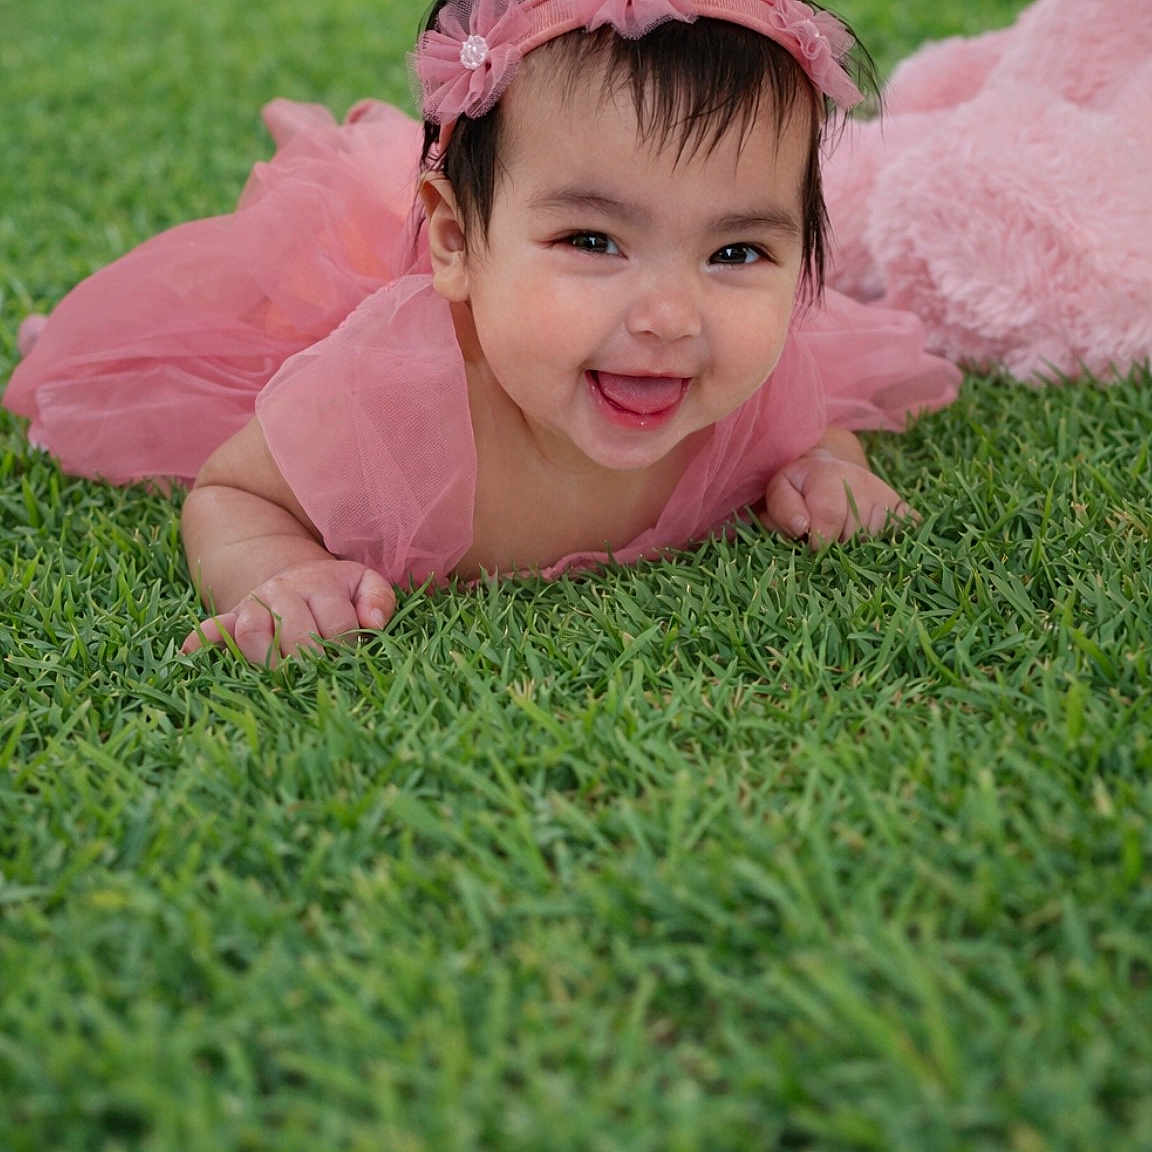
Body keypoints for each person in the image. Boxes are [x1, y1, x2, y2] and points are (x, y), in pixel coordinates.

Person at [4, 0, 960, 666]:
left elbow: (802, 424)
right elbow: (230, 492)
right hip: (361, 337)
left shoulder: (753, 372)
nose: (672, 319)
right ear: (454, 239)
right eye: (592, 240)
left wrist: (828, 464)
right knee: (226, 341)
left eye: (739, 253)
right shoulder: (380, 398)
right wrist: (282, 573)